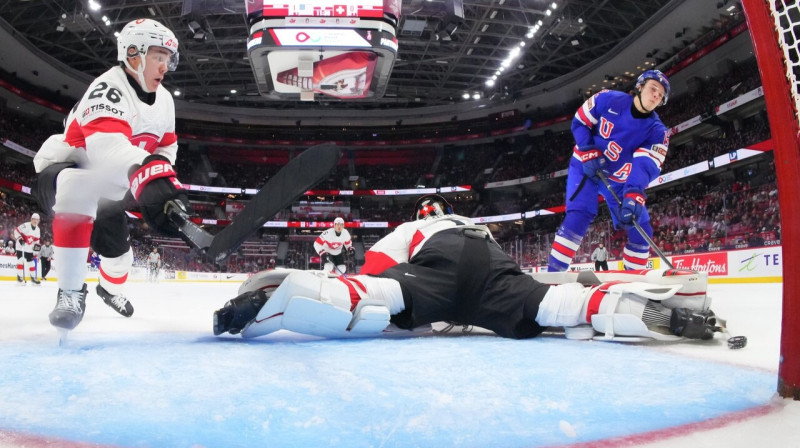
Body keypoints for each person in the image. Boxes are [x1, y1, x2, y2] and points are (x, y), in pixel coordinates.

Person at [213, 194, 718, 343]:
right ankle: (655, 310)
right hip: (490, 269)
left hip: (440, 266)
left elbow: (375, 267)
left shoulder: (417, 228)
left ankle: (279, 296)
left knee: (376, 297)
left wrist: (395, 285)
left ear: (423, 214)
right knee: (551, 304)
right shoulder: (477, 224)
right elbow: (513, 268)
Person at [33, 18, 190, 330]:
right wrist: (151, 174)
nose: (164, 67)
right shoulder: (108, 88)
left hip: (109, 188)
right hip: (66, 170)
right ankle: (71, 290)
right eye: (159, 57)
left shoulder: (166, 102)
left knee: (121, 259)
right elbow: (106, 150)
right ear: (134, 54)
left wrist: (161, 184)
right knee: (77, 185)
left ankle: (110, 289)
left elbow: (165, 148)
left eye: (167, 59)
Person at [547, 70, 671, 272]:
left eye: (661, 95)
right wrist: (587, 150)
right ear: (639, 87)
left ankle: (633, 279)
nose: (656, 95)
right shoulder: (608, 98)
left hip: (619, 181)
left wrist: (633, 193)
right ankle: (553, 275)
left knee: (641, 229)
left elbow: (645, 166)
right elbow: (580, 122)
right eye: (653, 88)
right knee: (579, 215)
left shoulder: (658, 132)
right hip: (586, 167)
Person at [13, 213, 42, 285]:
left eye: (37, 220)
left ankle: (33, 278)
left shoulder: (38, 229)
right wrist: (19, 238)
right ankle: (19, 278)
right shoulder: (25, 225)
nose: (35, 221)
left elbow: (36, 240)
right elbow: (16, 231)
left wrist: (36, 246)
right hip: (21, 247)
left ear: (38, 221)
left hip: (29, 248)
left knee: (31, 263)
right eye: (34, 219)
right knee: (20, 261)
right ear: (31, 219)